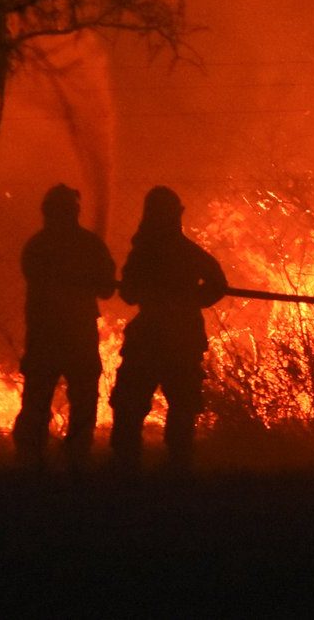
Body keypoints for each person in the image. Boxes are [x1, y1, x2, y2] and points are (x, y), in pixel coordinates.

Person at [110, 186, 227, 471]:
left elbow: (128, 294)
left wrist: (166, 298)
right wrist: (192, 302)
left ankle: (126, 464)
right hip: (181, 338)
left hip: (149, 338)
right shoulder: (188, 252)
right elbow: (217, 284)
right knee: (182, 405)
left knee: (131, 404)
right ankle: (178, 463)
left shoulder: (142, 253)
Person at [13, 184, 117, 469]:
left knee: (36, 397)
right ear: (75, 212)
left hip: (44, 334)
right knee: (83, 398)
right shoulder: (89, 245)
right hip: (76, 335)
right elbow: (107, 289)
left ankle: (29, 460)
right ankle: (77, 460)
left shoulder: (36, 245)